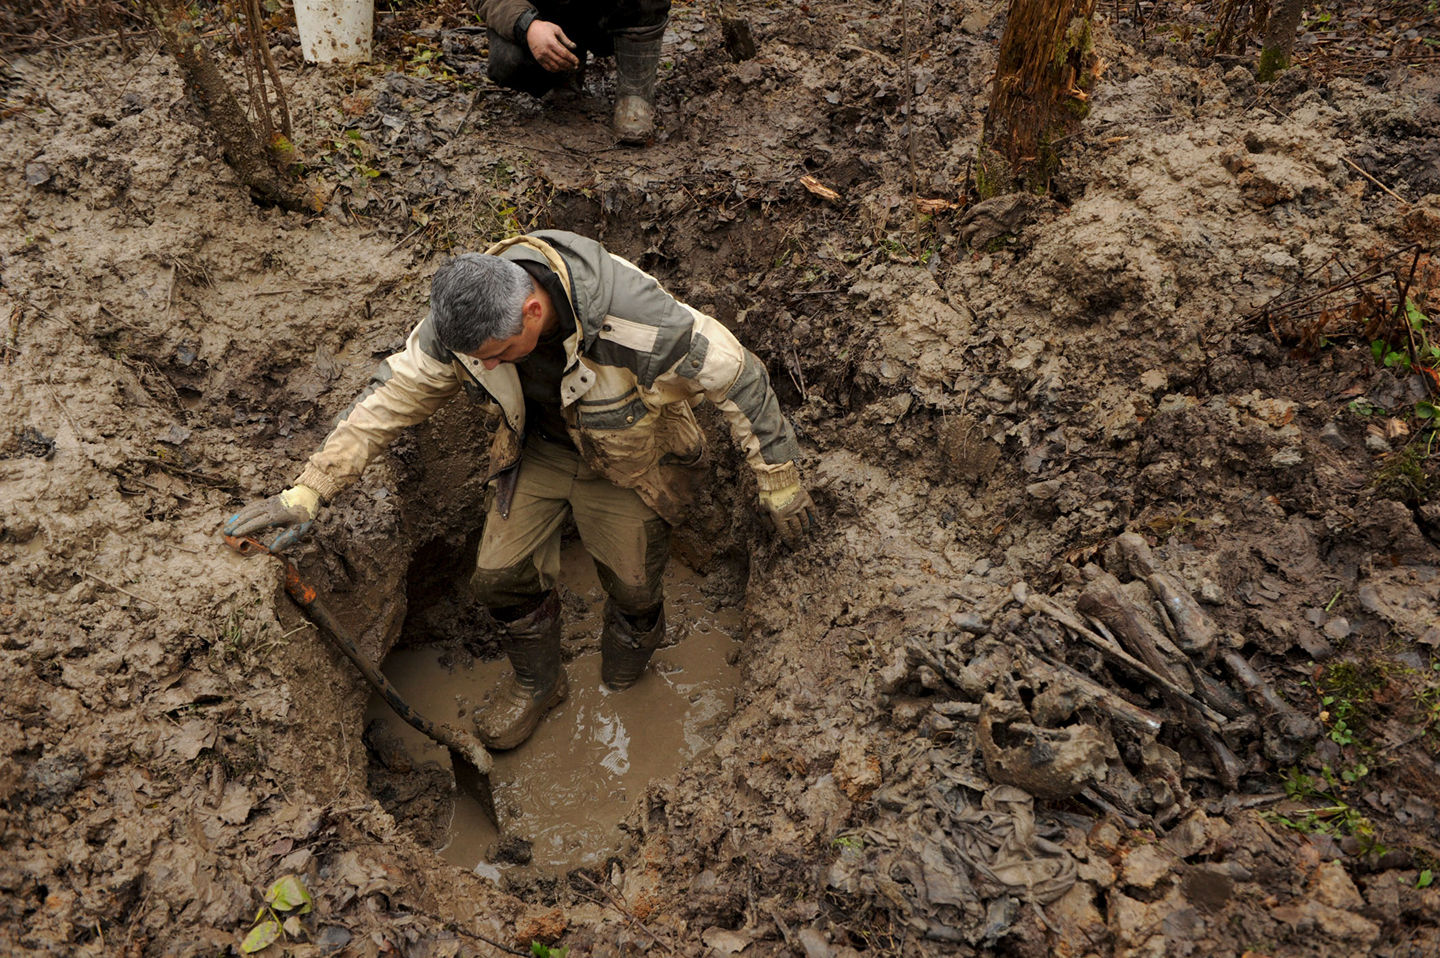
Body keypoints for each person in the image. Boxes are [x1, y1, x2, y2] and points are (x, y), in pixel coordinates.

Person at [224, 230, 815, 750]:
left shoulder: (639, 321)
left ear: (533, 311)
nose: (489, 364)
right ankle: (539, 681)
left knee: (634, 587)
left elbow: (743, 379)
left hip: (631, 461)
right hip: (538, 452)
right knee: (497, 576)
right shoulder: (462, 326)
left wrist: (780, 481)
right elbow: (390, 400)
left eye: (500, 355)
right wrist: (309, 490)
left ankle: (628, 657)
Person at [475, 0, 670, 143]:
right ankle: (564, 68)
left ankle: (635, 93)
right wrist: (527, 25)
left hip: (613, 10)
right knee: (509, 61)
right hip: (544, 15)